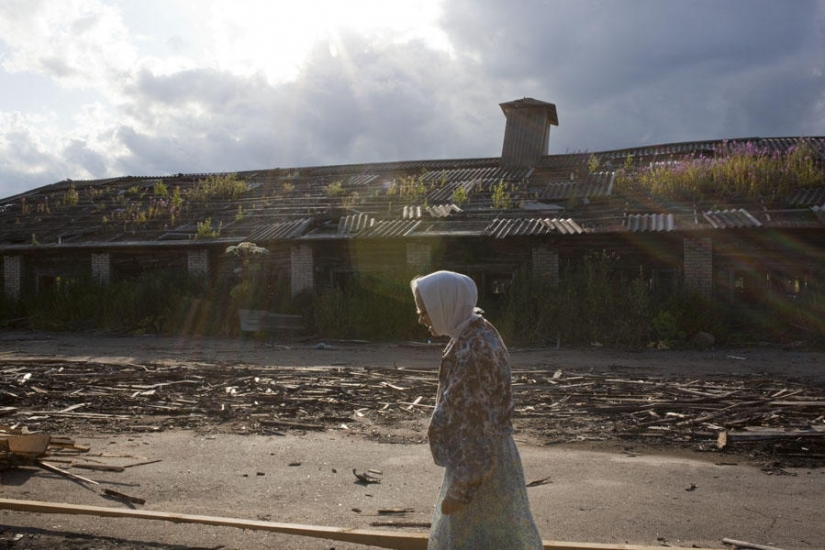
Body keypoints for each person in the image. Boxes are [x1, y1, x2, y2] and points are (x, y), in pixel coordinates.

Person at [410, 270, 544, 550]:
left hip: (481, 471)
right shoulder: (473, 333)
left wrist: (462, 488)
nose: (420, 317)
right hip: (481, 463)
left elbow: (477, 426)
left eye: (424, 310)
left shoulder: (474, 349)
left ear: (444, 305)